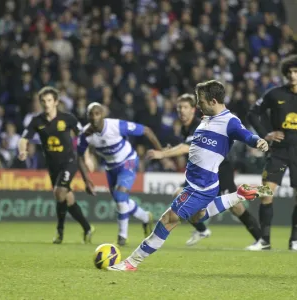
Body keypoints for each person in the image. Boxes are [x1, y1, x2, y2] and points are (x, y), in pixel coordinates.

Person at [107, 80, 272, 271]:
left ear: (213, 101)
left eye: (200, 100)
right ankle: (239, 195)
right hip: (200, 183)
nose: (198, 103)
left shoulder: (229, 121)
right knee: (197, 217)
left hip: (200, 186)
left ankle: (132, 262)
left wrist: (258, 141)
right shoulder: (207, 118)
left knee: (168, 220)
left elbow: (245, 135)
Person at [147, 93, 262, 247]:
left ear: (193, 110)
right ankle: (202, 230)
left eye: (185, 107)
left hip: (220, 168)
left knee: (236, 206)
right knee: (178, 193)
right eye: (179, 107)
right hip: (202, 172)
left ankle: (261, 239)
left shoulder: (198, 125)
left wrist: (162, 153)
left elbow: (185, 148)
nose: (181, 110)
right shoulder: (184, 128)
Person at [77, 102, 162, 246]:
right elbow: (78, 156)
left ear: (103, 114)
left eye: (97, 113)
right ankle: (146, 218)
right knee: (121, 201)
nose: (94, 117)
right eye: (91, 114)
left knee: (120, 195)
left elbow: (146, 130)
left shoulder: (116, 125)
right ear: (87, 117)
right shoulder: (86, 135)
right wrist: (86, 180)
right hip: (110, 168)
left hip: (128, 161)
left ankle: (122, 237)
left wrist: (161, 151)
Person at [18, 87, 93, 244]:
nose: (46, 104)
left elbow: (83, 136)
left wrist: (87, 156)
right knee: (67, 198)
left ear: (56, 102)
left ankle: (60, 232)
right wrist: (22, 150)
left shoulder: (67, 118)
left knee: (59, 193)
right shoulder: (37, 121)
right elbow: (24, 138)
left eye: (50, 101)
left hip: (69, 161)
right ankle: (87, 228)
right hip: (53, 166)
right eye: (43, 101)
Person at [247, 54, 297, 251]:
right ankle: (264, 240)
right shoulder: (275, 94)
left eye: (296, 72)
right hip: (279, 151)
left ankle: (294, 240)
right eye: (290, 72)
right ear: (285, 74)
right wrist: (266, 134)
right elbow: (253, 112)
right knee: (266, 193)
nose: (293, 76)